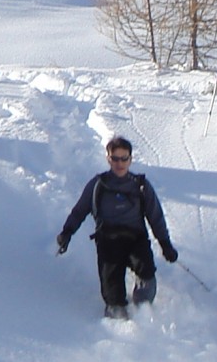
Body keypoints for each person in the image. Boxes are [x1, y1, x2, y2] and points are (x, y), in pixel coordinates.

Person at [56, 137, 178, 320]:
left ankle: (143, 311)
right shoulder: (98, 184)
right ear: (108, 159)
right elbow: (80, 210)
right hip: (108, 240)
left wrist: (165, 244)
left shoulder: (141, 185)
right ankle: (117, 317)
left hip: (135, 238)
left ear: (130, 159)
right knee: (112, 287)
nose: (119, 163)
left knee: (146, 270)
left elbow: (155, 216)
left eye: (124, 158)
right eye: (115, 158)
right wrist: (67, 232)